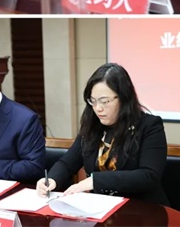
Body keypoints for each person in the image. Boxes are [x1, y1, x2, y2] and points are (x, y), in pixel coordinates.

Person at [36, 63, 169, 205]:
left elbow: (148, 176)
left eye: (104, 101)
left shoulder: (149, 126)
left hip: (141, 208)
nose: (98, 108)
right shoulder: (92, 126)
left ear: (124, 98)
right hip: (101, 207)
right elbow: (67, 163)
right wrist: (51, 179)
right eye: (92, 101)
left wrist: (95, 181)